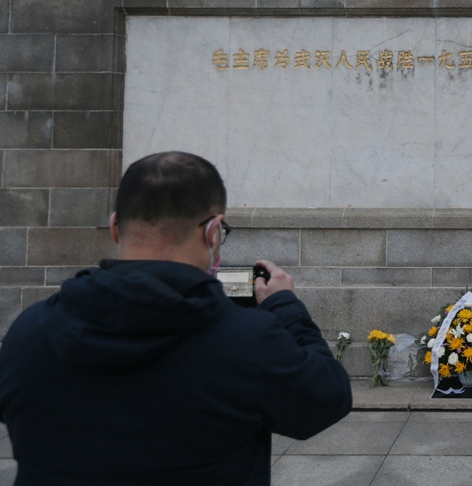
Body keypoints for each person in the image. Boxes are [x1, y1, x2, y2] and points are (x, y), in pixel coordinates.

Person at [0, 151, 352, 486]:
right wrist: (286, 307)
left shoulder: (30, 331)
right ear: (213, 232)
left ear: (115, 228)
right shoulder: (249, 342)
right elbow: (325, 398)